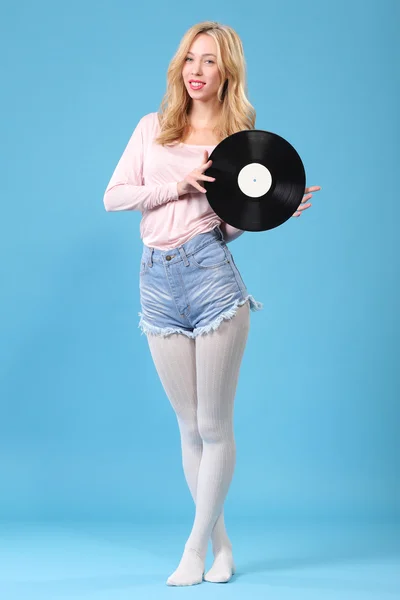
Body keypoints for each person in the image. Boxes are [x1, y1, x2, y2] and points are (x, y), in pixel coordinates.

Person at [103, 20, 320, 587]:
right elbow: (115, 197)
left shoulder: (237, 144)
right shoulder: (153, 128)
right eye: (190, 60)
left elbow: (226, 229)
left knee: (213, 424)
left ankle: (193, 549)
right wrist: (180, 185)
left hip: (210, 276)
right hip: (155, 278)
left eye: (210, 62)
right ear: (180, 67)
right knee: (188, 426)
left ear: (228, 75)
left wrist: (274, 207)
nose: (196, 71)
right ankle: (222, 546)